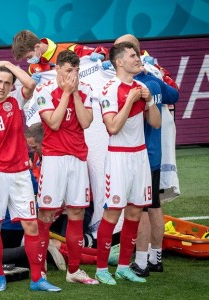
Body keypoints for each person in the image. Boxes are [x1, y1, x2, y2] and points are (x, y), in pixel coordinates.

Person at [0, 60, 61, 292]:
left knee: (31, 225)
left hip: (20, 174)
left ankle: (37, 279)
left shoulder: (16, 100)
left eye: (7, 83)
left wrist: (8, 64)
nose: (2, 87)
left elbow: (29, 82)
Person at [108, 35, 179, 277]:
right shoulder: (154, 81)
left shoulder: (135, 86)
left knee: (139, 209)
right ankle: (155, 257)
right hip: (153, 153)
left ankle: (140, 261)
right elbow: (175, 96)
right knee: (153, 206)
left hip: (139, 154)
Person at [94, 42, 161, 285]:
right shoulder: (110, 89)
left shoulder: (142, 86)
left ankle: (123, 266)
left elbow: (155, 123)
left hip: (140, 156)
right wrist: (131, 101)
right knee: (112, 213)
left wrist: (150, 102)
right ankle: (102, 269)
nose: (137, 58)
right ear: (119, 61)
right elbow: (112, 127)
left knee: (134, 212)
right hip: (119, 157)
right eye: (133, 55)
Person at [34, 50, 98, 285]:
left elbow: (86, 122)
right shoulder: (44, 91)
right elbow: (53, 121)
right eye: (69, 70)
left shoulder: (86, 90)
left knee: (77, 213)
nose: (74, 75)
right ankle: (39, 270)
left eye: (77, 71)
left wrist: (77, 96)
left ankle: (74, 270)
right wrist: (66, 94)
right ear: (58, 69)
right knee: (47, 214)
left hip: (78, 158)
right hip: (54, 159)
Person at [11, 30, 107, 84]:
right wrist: (33, 86)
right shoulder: (32, 69)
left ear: (37, 47)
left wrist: (102, 55)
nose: (28, 61)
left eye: (29, 56)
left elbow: (101, 51)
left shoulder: (70, 49)